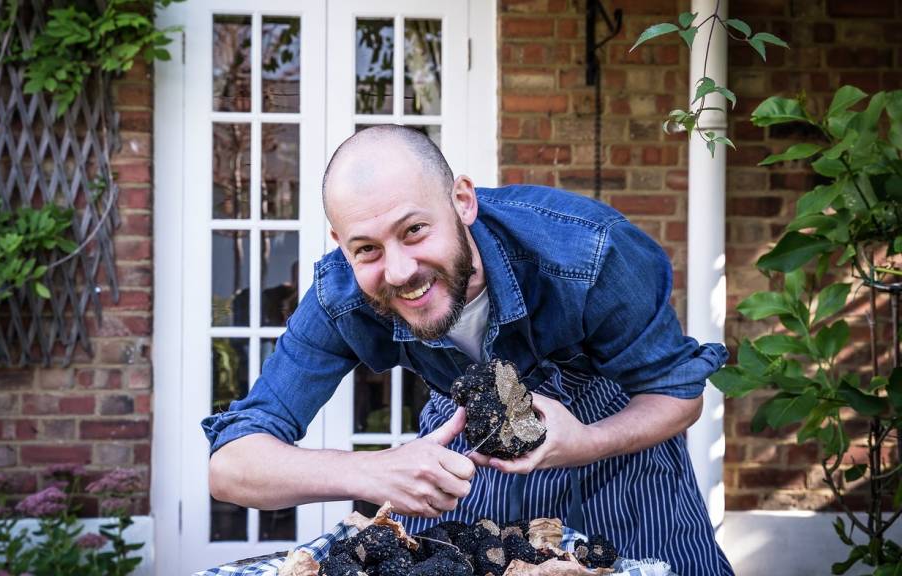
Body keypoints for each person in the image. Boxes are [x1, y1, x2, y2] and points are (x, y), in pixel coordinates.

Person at [202, 125, 733, 575]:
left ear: (462, 200)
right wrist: (373, 471)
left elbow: (677, 395)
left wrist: (585, 441)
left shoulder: (590, 253)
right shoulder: (338, 298)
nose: (399, 271)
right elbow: (231, 466)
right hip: (471, 458)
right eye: (366, 249)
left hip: (616, 450)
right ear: (341, 244)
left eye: (414, 230)